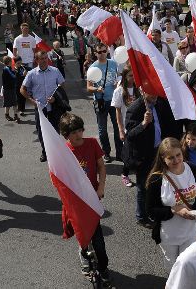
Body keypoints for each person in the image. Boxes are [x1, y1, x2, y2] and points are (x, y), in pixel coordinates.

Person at [58, 113, 111, 286]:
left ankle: (103, 266)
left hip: (93, 199)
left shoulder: (92, 143)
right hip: (76, 203)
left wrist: (101, 187)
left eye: (80, 130)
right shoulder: (64, 151)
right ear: (66, 134)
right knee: (83, 237)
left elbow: (101, 166)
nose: (78, 134)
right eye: (73, 132)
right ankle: (85, 261)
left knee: (99, 242)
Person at [146, 137, 196, 272]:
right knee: (174, 271)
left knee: (189, 267)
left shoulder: (193, 169)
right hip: (168, 235)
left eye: (178, 155)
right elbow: (150, 211)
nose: (176, 160)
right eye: (171, 158)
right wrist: (173, 210)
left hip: (191, 231)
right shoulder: (156, 179)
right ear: (163, 159)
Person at [124, 91, 182, 227]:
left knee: (157, 183)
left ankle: (153, 211)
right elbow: (130, 135)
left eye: (155, 91)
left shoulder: (159, 104)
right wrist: (143, 123)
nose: (155, 95)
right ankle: (141, 216)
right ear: (143, 91)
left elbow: (167, 124)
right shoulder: (135, 108)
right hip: (143, 155)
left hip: (157, 152)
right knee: (143, 186)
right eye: (151, 92)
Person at [21, 50, 65, 162]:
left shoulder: (55, 71)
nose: (45, 60)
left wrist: (56, 97)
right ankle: (45, 152)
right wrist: (32, 101)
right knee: (41, 132)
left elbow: (62, 85)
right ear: (36, 60)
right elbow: (22, 89)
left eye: (46, 58)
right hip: (40, 108)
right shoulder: (31, 74)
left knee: (55, 130)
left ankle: (56, 152)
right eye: (42, 58)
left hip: (54, 107)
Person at [86, 44, 120, 163]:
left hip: (114, 100)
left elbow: (119, 78)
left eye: (104, 51)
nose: (102, 54)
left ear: (107, 52)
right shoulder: (93, 67)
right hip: (100, 101)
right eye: (99, 52)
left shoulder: (113, 63)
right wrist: (97, 89)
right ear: (95, 53)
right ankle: (106, 152)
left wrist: (118, 84)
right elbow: (89, 87)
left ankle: (120, 152)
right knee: (102, 129)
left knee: (117, 127)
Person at [111, 65, 137, 188]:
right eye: (130, 76)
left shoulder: (140, 88)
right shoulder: (119, 91)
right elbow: (118, 112)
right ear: (125, 77)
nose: (133, 78)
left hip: (140, 124)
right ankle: (124, 174)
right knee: (129, 152)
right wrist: (121, 130)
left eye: (134, 75)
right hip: (127, 127)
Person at [1, 56, 18, 122]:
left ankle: (15, 115)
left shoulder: (9, 68)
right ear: (10, 62)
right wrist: (15, 72)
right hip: (7, 89)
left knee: (14, 102)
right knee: (7, 103)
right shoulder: (6, 69)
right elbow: (13, 77)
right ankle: (7, 114)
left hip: (12, 88)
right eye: (11, 61)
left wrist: (14, 70)